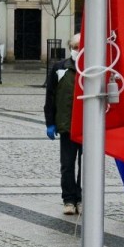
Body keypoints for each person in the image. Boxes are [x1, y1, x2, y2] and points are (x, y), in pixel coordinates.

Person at [44, 34, 82, 215]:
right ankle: (68, 199)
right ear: (70, 48)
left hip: (86, 128)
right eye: (75, 47)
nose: (78, 50)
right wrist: (50, 123)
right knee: (67, 164)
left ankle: (81, 198)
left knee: (86, 166)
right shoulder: (60, 68)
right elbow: (50, 96)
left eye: (81, 47)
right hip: (66, 125)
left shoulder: (92, 68)